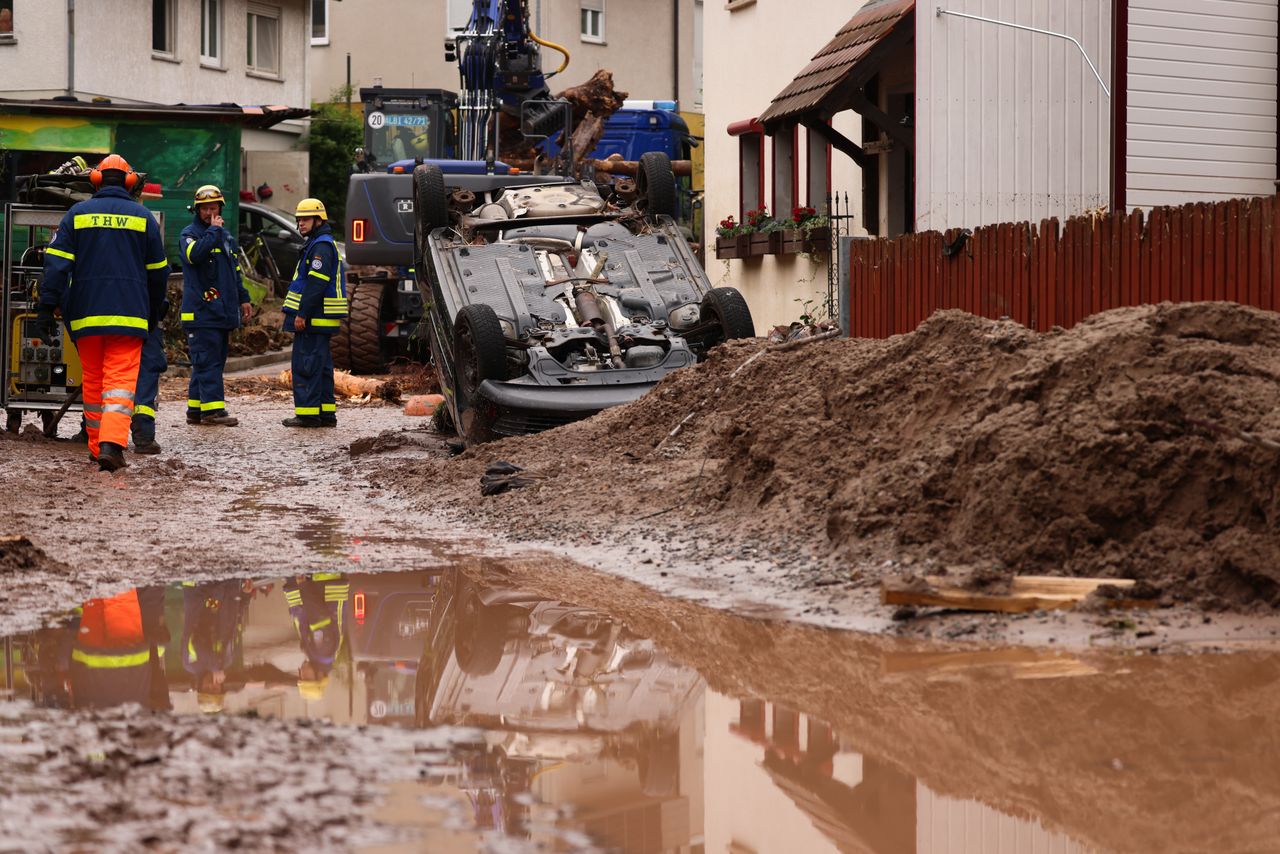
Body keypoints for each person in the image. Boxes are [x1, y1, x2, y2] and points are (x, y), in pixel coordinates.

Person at [38, 154, 169, 472]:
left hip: (85, 317)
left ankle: (98, 448)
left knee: (95, 383)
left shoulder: (76, 214)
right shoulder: (143, 218)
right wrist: (154, 311)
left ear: (95, 180)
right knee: (120, 383)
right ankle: (111, 444)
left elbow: (55, 264)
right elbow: (158, 272)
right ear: (129, 182)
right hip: (130, 317)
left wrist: (45, 306)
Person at [179, 184, 251, 427]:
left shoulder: (224, 236)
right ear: (197, 210)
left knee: (210, 362)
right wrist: (212, 232)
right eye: (205, 208)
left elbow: (234, 272)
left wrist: (243, 298)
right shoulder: (190, 234)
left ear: (220, 208)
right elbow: (194, 255)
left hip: (219, 313)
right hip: (201, 313)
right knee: (207, 361)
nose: (210, 212)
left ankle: (196, 408)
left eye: (214, 207)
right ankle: (213, 412)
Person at [282, 198, 348, 428]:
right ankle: (325, 413)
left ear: (319, 220)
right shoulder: (320, 243)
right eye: (299, 219)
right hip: (320, 318)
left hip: (313, 318)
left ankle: (308, 415)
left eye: (306, 219)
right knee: (321, 367)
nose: (301, 223)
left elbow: (315, 284)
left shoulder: (320, 246)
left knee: (306, 365)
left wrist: (302, 313)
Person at [131, 304, 169, 454]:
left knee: (103, 375)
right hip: (144, 317)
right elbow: (159, 292)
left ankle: (92, 433)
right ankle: (144, 436)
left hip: (99, 319)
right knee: (146, 373)